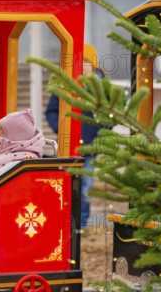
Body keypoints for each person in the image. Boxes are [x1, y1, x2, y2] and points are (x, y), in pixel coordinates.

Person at [45, 45, 104, 230]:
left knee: (85, 187)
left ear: (93, 65)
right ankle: (64, 223)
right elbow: (51, 111)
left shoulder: (101, 88)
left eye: (87, 63)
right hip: (68, 145)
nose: (84, 66)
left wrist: (99, 136)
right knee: (66, 185)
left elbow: (110, 115)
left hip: (89, 147)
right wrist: (61, 129)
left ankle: (81, 224)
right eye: (81, 62)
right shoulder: (66, 85)